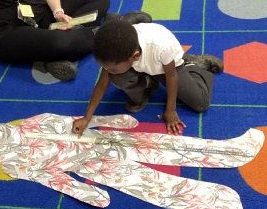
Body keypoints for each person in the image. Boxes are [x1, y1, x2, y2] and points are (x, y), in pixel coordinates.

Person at [72, 21, 223, 137]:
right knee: (117, 78)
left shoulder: (161, 47)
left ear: (135, 56)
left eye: (112, 68)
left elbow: (171, 76)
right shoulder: (118, 54)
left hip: (167, 66)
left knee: (200, 103)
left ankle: (192, 64)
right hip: (142, 65)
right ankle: (149, 84)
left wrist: (170, 110)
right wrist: (87, 117)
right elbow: (102, 83)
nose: (108, 71)